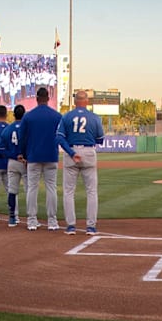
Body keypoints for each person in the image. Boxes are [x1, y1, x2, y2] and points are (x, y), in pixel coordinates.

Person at [56, 90, 105, 236]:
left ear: (75, 101)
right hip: (89, 152)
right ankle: (91, 226)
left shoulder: (67, 116)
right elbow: (100, 139)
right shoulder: (94, 118)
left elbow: (59, 137)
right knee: (91, 191)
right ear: (87, 101)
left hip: (71, 151)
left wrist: (72, 153)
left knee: (69, 191)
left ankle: (71, 226)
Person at [18, 87, 62, 231]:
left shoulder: (29, 116)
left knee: (32, 188)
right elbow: (61, 136)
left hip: (34, 156)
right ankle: (52, 221)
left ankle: (31, 220)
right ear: (48, 98)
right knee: (51, 188)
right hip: (51, 156)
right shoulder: (56, 116)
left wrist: (22, 154)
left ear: (36, 99)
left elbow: (22, 137)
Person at [0, 105, 26, 227]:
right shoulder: (27, 128)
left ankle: (12, 217)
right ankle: (32, 218)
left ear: (13, 115)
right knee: (29, 190)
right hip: (25, 162)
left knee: (12, 190)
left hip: (12, 162)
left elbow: (1, 149)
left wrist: (13, 155)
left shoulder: (7, 129)